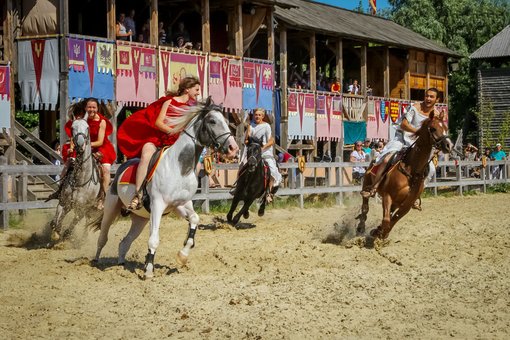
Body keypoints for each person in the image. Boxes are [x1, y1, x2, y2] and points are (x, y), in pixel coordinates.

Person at [117, 76, 201, 211]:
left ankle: (183, 193)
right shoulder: (169, 102)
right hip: (159, 139)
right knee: (146, 155)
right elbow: (158, 122)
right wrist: (174, 131)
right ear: (187, 89)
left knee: (197, 164)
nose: (198, 93)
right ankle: (137, 194)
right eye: (196, 89)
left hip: (178, 143)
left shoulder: (192, 107)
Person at [361, 88, 442, 206]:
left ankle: (415, 195)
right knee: (387, 159)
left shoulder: (436, 114)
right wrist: (417, 132)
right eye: (427, 96)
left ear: (437, 99)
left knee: (431, 169)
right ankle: (374, 187)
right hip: (403, 138)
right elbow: (404, 124)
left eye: (431, 97)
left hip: (418, 144)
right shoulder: (414, 107)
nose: (428, 99)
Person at [242, 108, 281, 203]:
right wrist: (248, 141)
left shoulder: (266, 126)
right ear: (253, 115)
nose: (257, 116)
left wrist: (263, 148)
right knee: (242, 166)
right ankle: (238, 188)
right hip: (253, 153)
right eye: (256, 114)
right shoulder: (250, 126)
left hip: (265, 152)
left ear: (263, 116)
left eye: (259, 115)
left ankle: (268, 192)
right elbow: (246, 140)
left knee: (272, 170)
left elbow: (271, 140)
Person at [85, 98, 116, 208]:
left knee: (105, 171)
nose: (91, 109)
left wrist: (86, 145)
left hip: (101, 148)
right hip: (86, 147)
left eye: (94, 107)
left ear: (97, 108)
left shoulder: (102, 121)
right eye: (89, 107)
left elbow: (100, 141)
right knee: (71, 163)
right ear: (85, 108)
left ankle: (103, 197)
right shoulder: (83, 121)